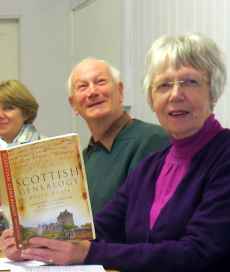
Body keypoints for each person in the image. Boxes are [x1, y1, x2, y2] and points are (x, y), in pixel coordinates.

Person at [1, 33, 230, 272]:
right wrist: (33, 243)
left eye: (190, 82)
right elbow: (99, 230)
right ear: (151, 99)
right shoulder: (151, 166)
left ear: (214, 91)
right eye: (163, 85)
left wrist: (87, 253)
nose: (175, 94)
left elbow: (196, 254)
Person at [67, 58, 171, 215]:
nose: (92, 92)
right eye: (82, 86)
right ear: (74, 104)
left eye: (100, 82)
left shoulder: (152, 141)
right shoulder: (81, 162)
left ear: (120, 91)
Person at [0, 80, 45, 224]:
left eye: (8, 108)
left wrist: (6, 212)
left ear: (26, 112)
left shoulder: (46, 149)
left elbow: (51, 208)